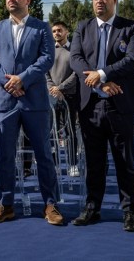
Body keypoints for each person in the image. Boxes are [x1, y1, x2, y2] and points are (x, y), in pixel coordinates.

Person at [0, 0, 64, 226]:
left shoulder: (41, 27)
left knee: (43, 154)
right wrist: (6, 81)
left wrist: (23, 79)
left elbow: (47, 58)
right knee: (5, 155)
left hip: (34, 101)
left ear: (27, 0)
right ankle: (5, 204)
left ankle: (50, 204)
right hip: (5, 100)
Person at [69, 0, 134, 232]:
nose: (99, 1)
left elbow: (132, 60)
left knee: (125, 161)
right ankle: (92, 207)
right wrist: (101, 83)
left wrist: (102, 73)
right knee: (94, 162)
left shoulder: (129, 27)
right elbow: (75, 59)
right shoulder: (83, 27)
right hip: (90, 106)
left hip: (120, 105)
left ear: (114, 0)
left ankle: (130, 211)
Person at [46, 21, 80, 177]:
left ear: (67, 32)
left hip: (70, 96)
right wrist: (53, 89)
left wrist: (61, 88)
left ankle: (73, 164)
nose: (56, 33)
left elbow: (76, 73)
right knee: (51, 132)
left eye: (59, 30)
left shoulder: (75, 50)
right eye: (54, 31)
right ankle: (54, 164)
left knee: (70, 130)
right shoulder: (48, 50)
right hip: (51, 96)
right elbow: (45, 72)